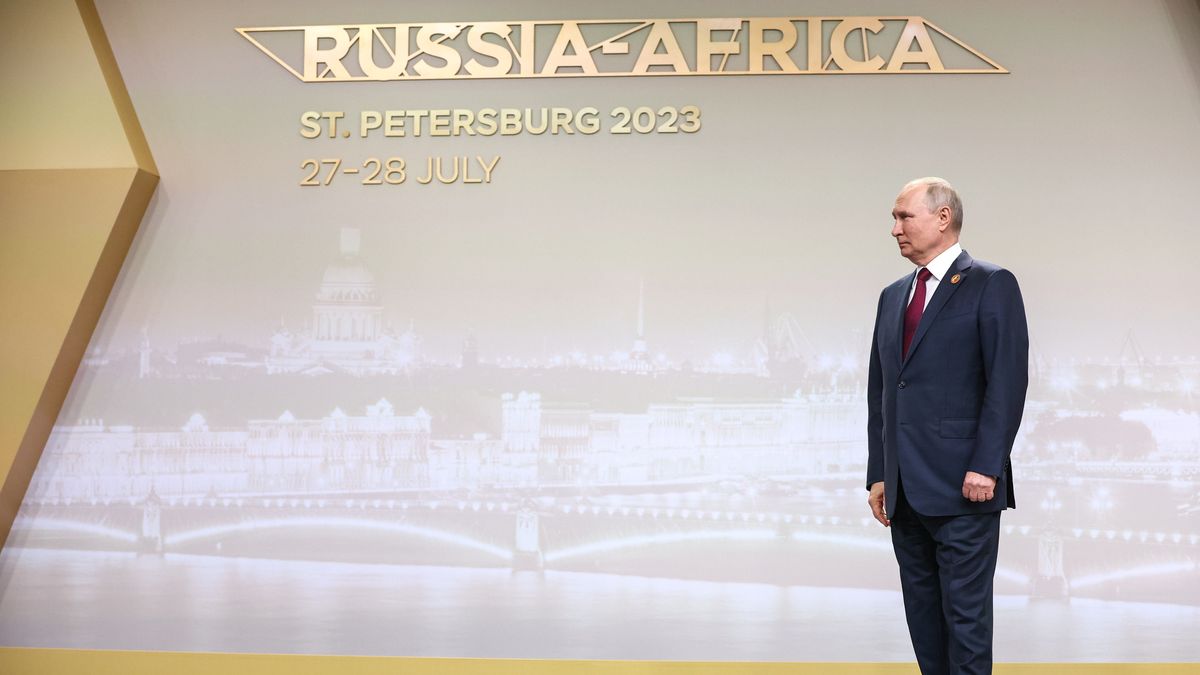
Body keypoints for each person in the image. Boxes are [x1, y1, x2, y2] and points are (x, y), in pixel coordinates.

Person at [866, 177, 1028, 674]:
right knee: (924, 622)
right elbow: (882, 392)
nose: (894, 228)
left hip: (965, 487)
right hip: (904, 492)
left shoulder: (990, 283)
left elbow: (1006, 383)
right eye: (894, 219)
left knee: (966, 622)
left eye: (903, 216)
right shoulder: (893, 296)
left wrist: (987, 466)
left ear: (942, 218)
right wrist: (878, 472)